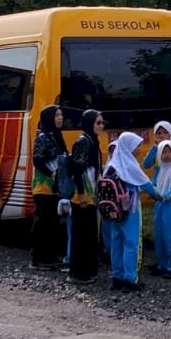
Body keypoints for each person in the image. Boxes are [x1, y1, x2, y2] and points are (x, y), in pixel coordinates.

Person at [101, 131, 153, 290]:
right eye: (137, 146)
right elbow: (146, 185)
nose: (139, 149)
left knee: (116, 242)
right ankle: (130, 279)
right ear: (129, 147)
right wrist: (159, 196)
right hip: (130, 210)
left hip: (114, 211)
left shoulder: (112, 164)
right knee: (131, 243)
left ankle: (117, 277)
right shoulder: (130, 165)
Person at [65, 109, 103, 283]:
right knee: (81, 235)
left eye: (102, 123)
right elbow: (77, 169)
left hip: (91, 195)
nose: (101, 126)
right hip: (82, 197)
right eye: (98, 123)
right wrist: (80, 194)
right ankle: (79, 273)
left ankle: (88, 271)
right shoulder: (83, 142)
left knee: (89, 234)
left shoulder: (92, 141)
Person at [30, 105, 68, 267]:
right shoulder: (43, 137)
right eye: (56, 115)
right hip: (43, 186)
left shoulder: (57, 135)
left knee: (53, 222)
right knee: (42, 222)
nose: (60, 118)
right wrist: (51, 173)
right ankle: (38, 258)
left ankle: (50, 255)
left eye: (61, 115)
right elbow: (37, 160)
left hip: (55, 187)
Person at [145, 139, 171, 278]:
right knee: (159, 235)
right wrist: (154, 193)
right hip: (159, 206)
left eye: (170, 152)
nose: (167, 155)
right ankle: (162, 264)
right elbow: (153, 184)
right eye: (164, 152)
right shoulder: (160, 170)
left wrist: (163, 197)